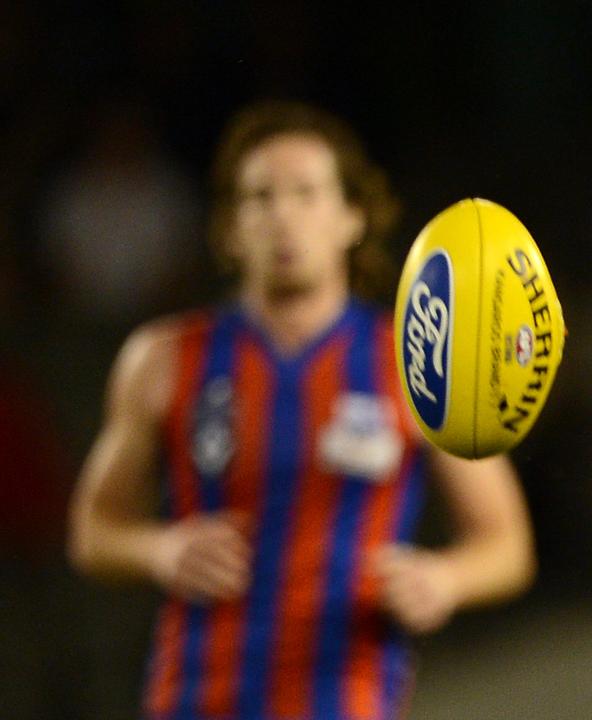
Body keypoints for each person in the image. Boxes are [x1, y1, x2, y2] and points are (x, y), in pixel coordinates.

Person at [68, 101, 537, 720]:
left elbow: (506, 545)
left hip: (348, 697)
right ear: (231, 226)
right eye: (260, 197)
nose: (284, 215)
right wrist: (160, 549)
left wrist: (444, 579)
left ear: (353, 217)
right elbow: (92, 529)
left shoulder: (419, 360)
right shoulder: (162, 359)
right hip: (192, 695)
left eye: (307, 193)